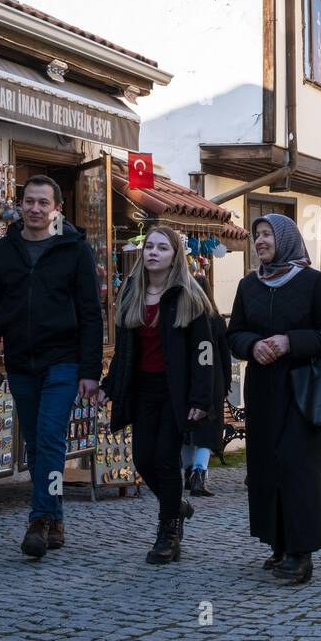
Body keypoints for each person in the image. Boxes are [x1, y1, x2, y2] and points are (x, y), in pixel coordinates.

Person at [0, 175, 102, 559]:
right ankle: (56, 518)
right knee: (34, 444)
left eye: (42, 203)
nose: (34, 209)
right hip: (19, 362)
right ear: (20, 205)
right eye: (29, 201)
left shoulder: (75, 250)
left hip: (62, 361)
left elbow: (90, 313)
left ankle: (40, 517)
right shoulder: (3, 251)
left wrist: (90, 370)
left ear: (56, 209)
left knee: (49, 437)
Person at [227, 213, 321, 585]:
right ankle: (276, 543)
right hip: (263, 389)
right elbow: (234, 334)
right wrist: (253, 345)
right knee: (264, 467)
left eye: (266, 235)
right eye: (256, 235)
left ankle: (301, 552)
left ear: (286, 239)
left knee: (298, 467)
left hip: (303, 390)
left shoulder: (312, 282)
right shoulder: (249, 285)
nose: (259, 241)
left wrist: (289, 341)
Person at [99, 227, 218, 564]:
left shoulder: (189, 295)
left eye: (162, 248)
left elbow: (204, 351)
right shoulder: (131, 292)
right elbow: (124, 351)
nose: (153, 252)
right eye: (149, 246)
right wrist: (110, 386)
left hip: (176, 392)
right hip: (142, 390)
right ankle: (176, 503)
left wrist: (201, 399)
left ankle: (168, 533)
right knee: (142, 459)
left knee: (165, 459)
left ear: (174, 255)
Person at [183, 275, 231, 497]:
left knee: (189, 428)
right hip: (214, 382)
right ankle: (198, 475)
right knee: (208, 431)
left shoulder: (184, 319)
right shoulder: (216, 319)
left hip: (188, 382)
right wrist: (227, 383)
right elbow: (224, 356)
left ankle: (187, 473)